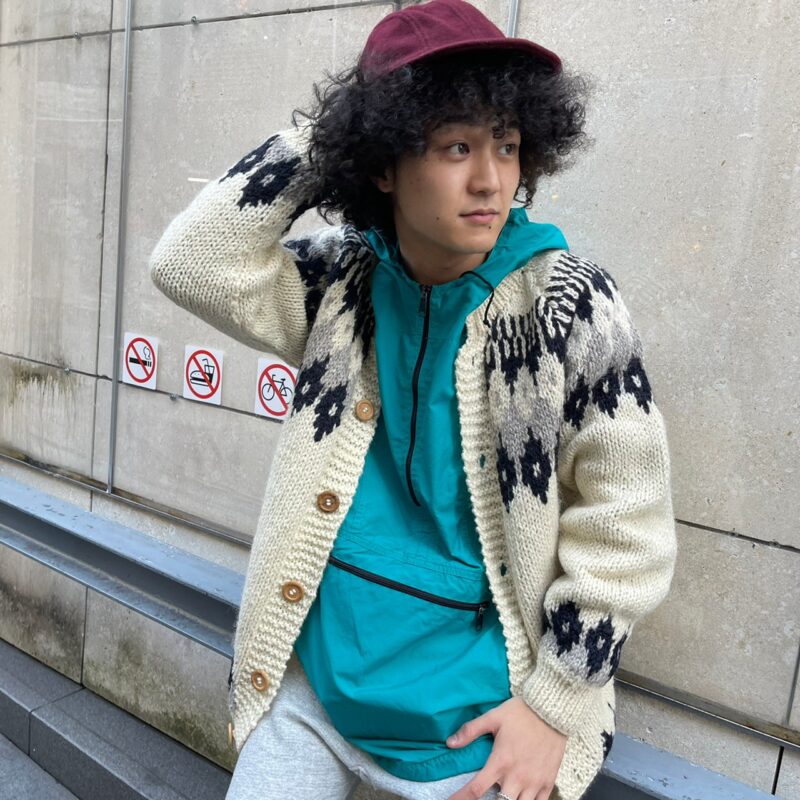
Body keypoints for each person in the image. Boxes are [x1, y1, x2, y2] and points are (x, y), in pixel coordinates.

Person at [148, 1, 678, 798]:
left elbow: (626, 526)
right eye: (456, 145)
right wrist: (334, 135)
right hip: (320, 685)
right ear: (383, 164)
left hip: (482, 715)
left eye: (506, 144)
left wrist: (553, 706)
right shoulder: (340, 284)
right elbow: (190, 262)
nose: (491, 179)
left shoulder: (568, 305)